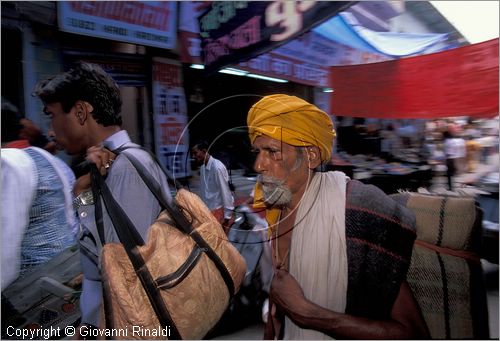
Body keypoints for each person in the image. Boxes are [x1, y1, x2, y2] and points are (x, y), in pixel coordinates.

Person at [246, 94, 429, 339]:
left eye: (272, 151)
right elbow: (280, 299)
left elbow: (412, 334)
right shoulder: (275, 212)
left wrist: (306, 313)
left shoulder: (355, 213)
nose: (259, 165)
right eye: (258, 151)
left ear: (311, 156)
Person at [33, 62, 173, 332]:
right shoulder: (104, 166)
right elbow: (102, 247)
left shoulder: (126, 166)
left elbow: (127, 272)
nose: (50, 130)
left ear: (81, 112)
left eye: (51, 115)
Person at [1, 100, 77, 290]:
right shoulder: (49, 159)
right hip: (68, 273)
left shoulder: (8, 162)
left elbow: (5, 240)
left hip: (31, 292)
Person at [192, 140, 235, 233]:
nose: (193, 157)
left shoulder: (217, 167)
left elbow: (226, 193)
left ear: (204, 151)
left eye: (195, 153)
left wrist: (227, 217)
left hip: (219, 212)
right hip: (209, 213)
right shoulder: (203, 168)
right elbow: (204, 192)